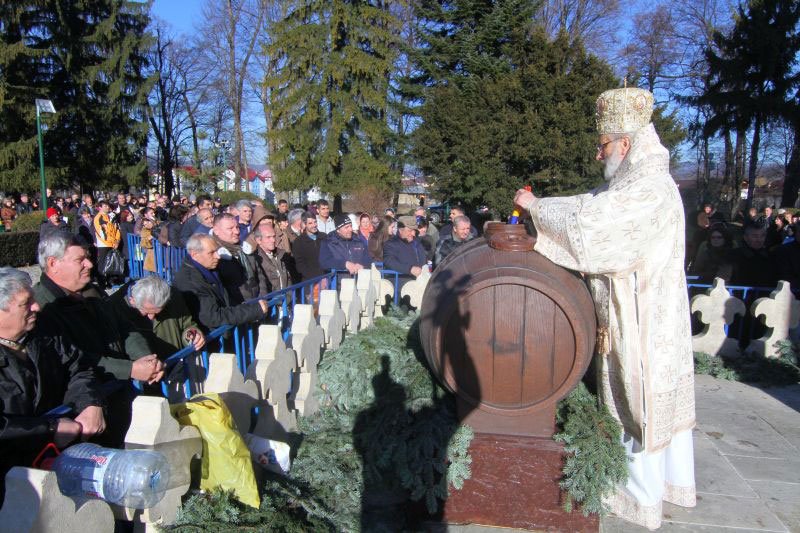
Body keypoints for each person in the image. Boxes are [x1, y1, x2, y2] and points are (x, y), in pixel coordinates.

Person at [514, 87, 695, 530]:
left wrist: (534, 207)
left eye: (604, 145)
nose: (599, 155)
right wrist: (540, 208)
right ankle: (659, 484)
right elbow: (590, 203)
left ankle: (640, 496)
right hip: (638, 313)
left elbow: (593, 225)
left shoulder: (649, 188)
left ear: (626, 144)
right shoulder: (633, 183)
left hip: (642, 321)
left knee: (638, 400)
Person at [0, 268, 106, 502]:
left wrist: (90, 403)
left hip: (56, 466)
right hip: (10, 483)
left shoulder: (44, 333)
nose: (36, 307)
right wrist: (49, 429)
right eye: (26, 303)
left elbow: (78, 368)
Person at [173, 234, 270, 330]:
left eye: (216, 251)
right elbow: (213, 317)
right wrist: (253, 310)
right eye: (211, 253)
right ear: (195, 255)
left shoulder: (209, 267)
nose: (218, 256)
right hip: (212, 336)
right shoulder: (190, 282)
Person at [108, 276, 205, 360]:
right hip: (146, 371)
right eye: (146, 312)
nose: (152, 317)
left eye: (158, 312)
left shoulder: (173, 296)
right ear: (132, 301)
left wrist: (192, 334)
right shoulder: (114, 308)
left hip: (175, 363)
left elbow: (187, 325)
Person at [382, 216, 427, 288]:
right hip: (401, 285)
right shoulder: (391, 244)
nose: (413, 234)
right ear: (400, 230)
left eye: (414, 230)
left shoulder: (417, 243)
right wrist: (410, 269)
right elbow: (389, 261)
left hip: (420, 283)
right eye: (410, 230)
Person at [729, 223, 777, 288]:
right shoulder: (733, 255)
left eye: (762, 236)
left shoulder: (772, 256)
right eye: (755, 236)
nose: (759, 240)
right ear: (745, 237)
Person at [250, 223, 291, 296]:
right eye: (268, 237)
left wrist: (290, 297)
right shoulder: (255, 260)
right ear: (259, 240)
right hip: (271, 301)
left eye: (274, 236)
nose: (273, 240)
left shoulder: (282, 255)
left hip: (287, 300)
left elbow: (289, 279)